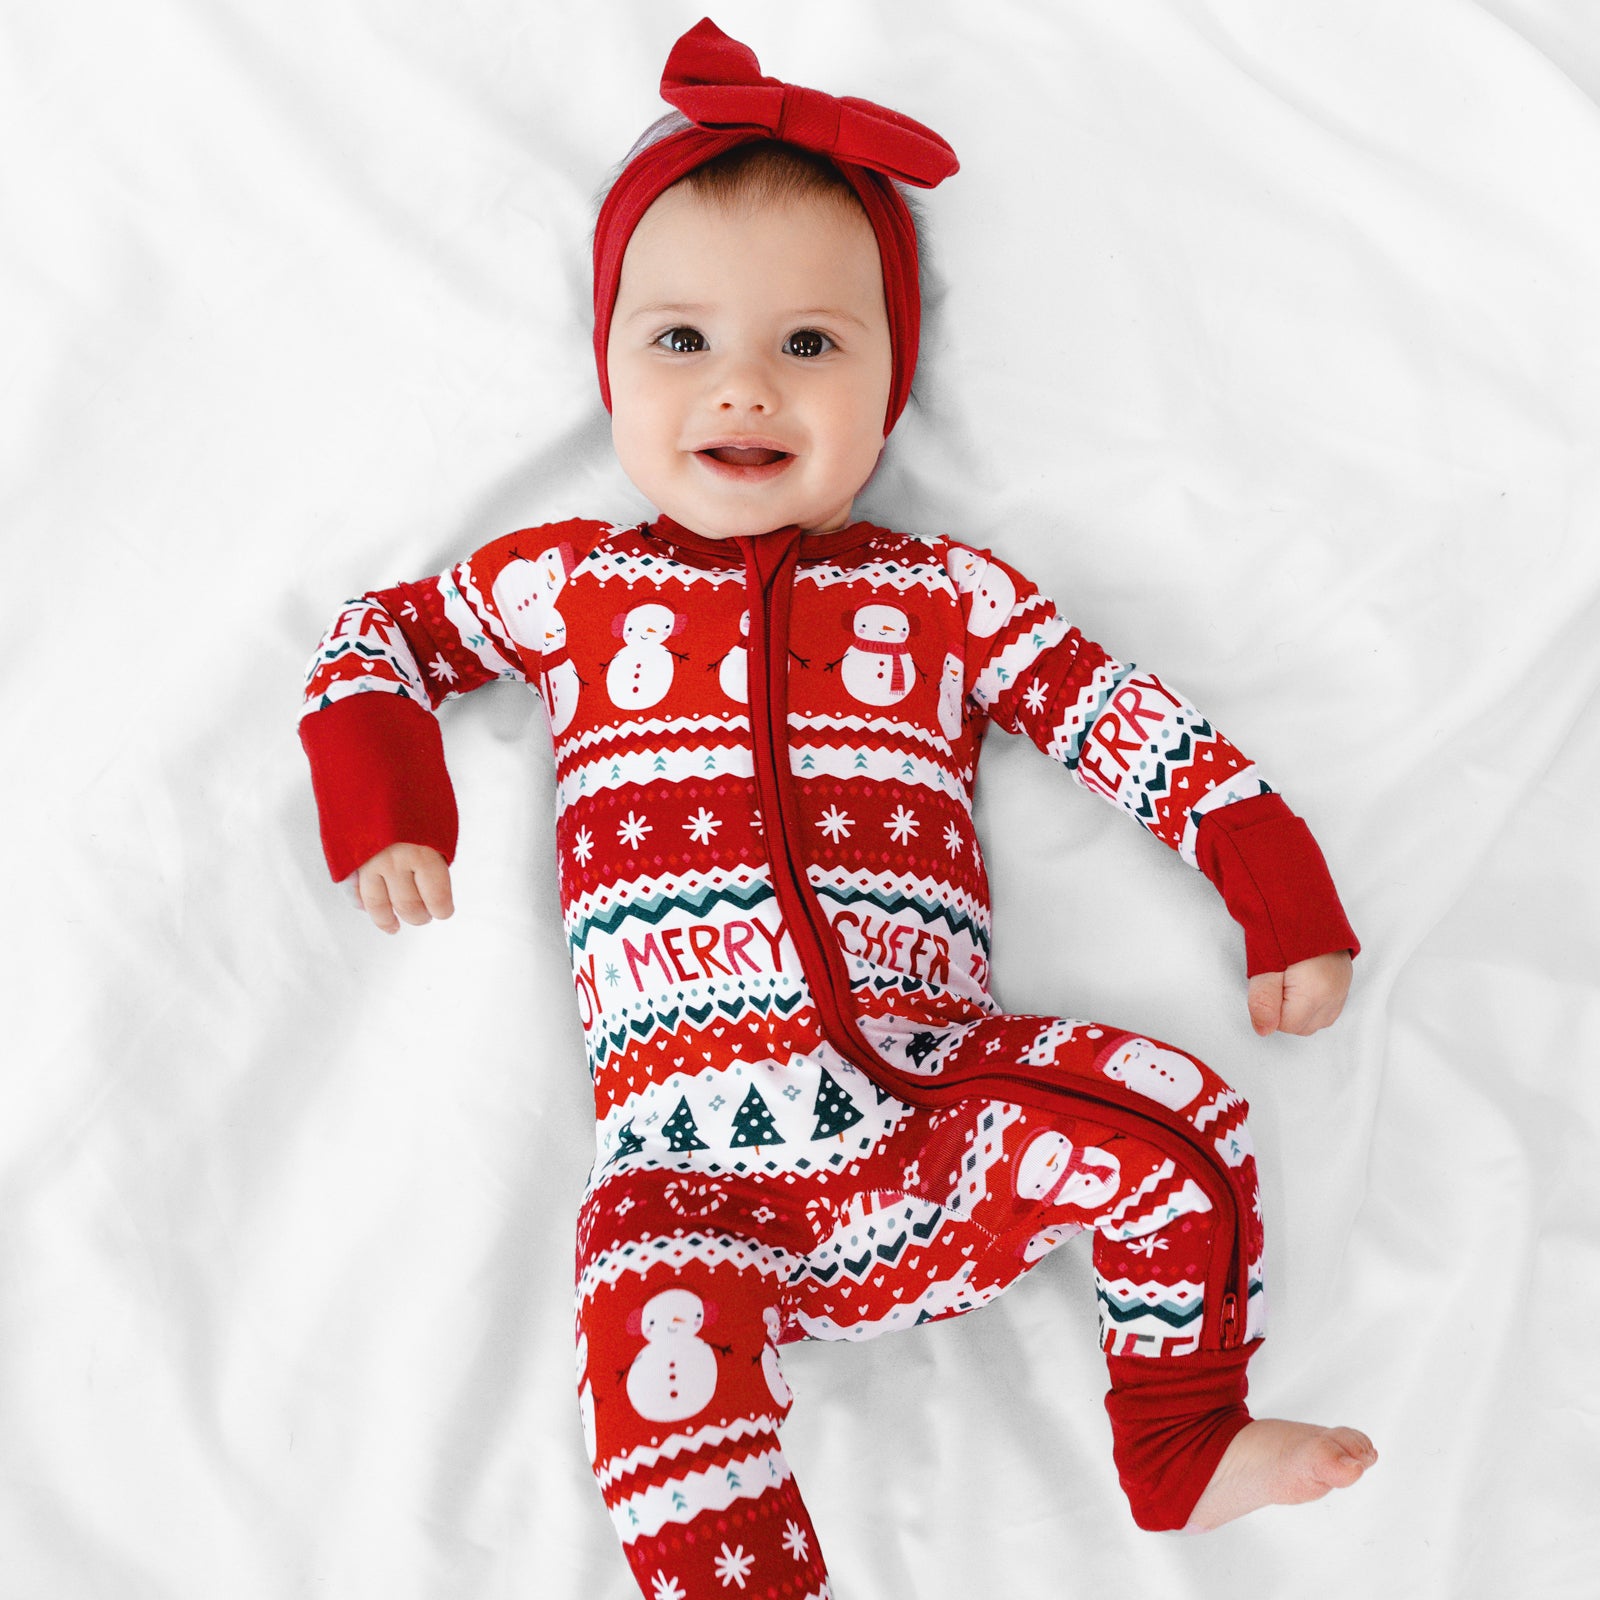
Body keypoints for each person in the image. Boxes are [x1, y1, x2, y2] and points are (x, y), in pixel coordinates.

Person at [299, 19, 1376, 1598]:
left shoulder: (944, 597)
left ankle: (1177, 1435)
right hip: (693, 1176)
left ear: (890, 388)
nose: (743, 381)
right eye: (680, 341)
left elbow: (1125, 726)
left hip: (935, 1122)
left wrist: (1278, 891)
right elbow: (374, 641)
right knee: (650, 1363)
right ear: (606, 361)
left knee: (1182, 1116)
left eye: (811, 344)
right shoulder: (568, 586)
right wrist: (390, 800)